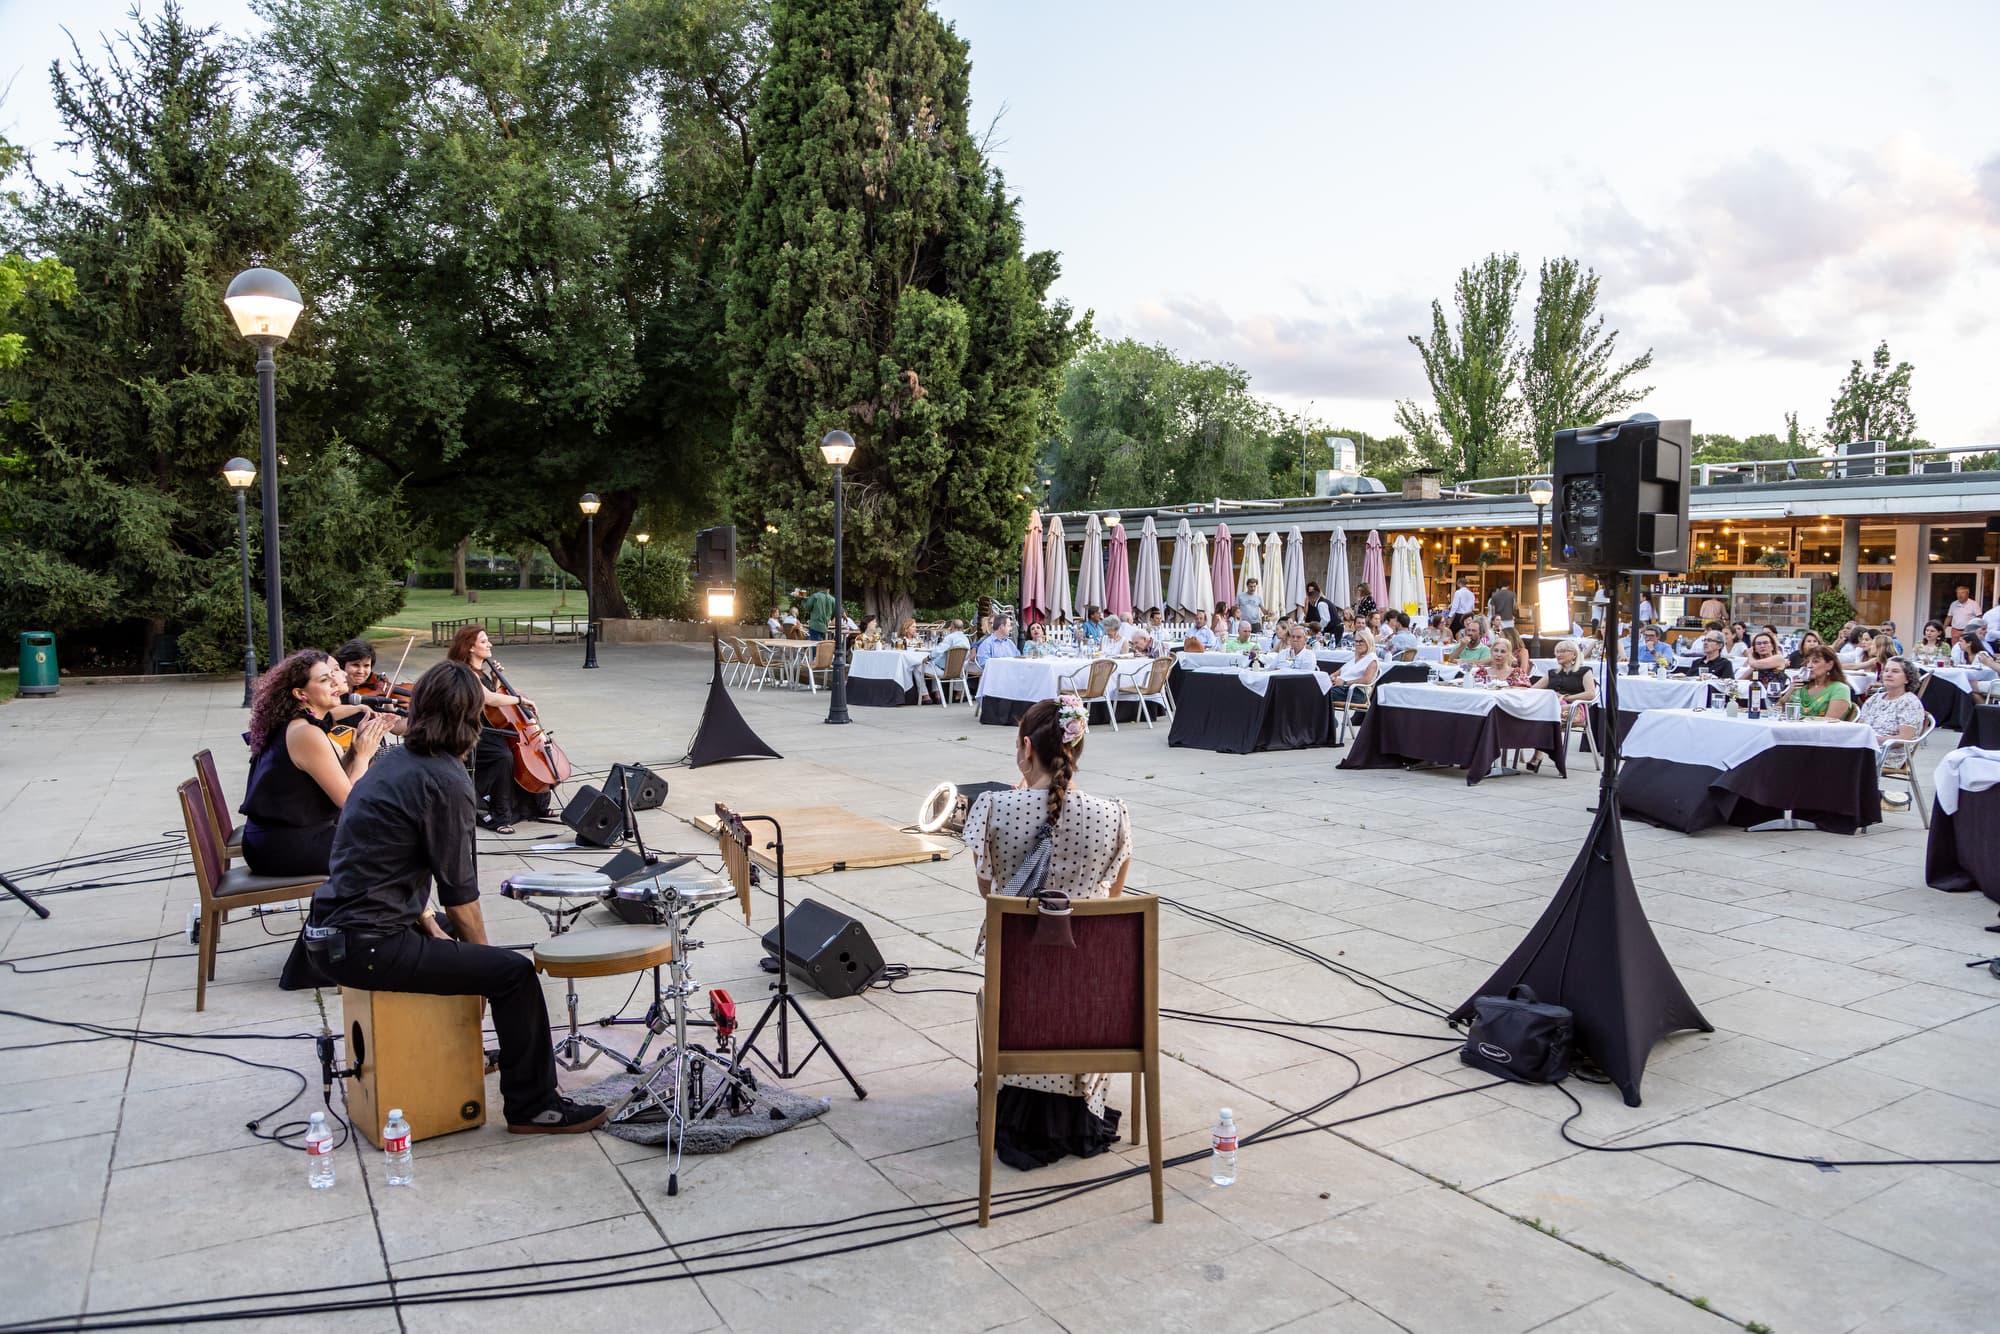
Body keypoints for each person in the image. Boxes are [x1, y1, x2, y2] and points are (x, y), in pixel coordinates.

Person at [292, 662, 609, 1135]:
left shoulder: (394, 762)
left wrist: (428, 922)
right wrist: (479, 967)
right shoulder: (444, 779)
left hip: (333, 930)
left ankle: (491, 1066)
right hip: (366, 943)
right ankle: (534, 1106)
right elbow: (461, 895)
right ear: (470, 720)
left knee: (472, 954)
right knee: (513, 973)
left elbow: (375, 860)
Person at [962, 696, 1131, 1170]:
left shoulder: (994, 808)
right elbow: (1110, 903)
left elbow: (987, 890)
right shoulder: (1113, 815)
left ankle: (1011, 1086)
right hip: (1087, 997)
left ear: (1025, 747)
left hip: (1018, 995)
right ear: (1077, 749)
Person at [240, 650, 394, 877]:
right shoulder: (305, 733)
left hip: (284, 837)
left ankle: (404, 911)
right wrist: (363, 755)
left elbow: (337, 779)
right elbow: (349, 801)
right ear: (301, 693)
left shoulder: (303, 724)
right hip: (283, 846)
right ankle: (406, 912)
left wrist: (355, 749)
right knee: (396, 846)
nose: (335, 683)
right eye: (324, 680)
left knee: (388, 832)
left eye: (333, 675)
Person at [446, 625, 548, 835]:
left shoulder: (480, 671)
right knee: (504, 756)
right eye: (484, 641)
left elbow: (492, 702)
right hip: (471, 734)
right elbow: (488, 698)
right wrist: (519, 699)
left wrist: (494, 679)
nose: (489, 644)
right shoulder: (464, 672)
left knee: (524, 752)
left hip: (490, 730)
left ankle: (533, 806)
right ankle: (500, 815)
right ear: (470, 647)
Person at [1527, 640, 1597, 773]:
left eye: (1563, 651)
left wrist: (1567, 698)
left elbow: (1590, 694)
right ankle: (1542, 753)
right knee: (1541, 714)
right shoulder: (1552, 673)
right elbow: (1533, 690)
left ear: (1574, 655)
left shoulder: (1584, 671)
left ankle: (1538, 755)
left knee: (1549, 715)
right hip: (1553, 708)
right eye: (1557, 651)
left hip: (1574, 709)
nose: (1559, 654)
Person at [1858, 657, 1926, 742]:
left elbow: (1905, 739)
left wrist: (1870, 740)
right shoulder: (1874, 698)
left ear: (1907, 678)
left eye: (1895, 671)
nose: (1888, 674)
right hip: (1864, 746)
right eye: (1886, 671)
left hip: (1887, 751)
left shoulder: (1909, 703)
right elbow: (1860, 726)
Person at [1789, 645, 1854, 720]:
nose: (1809, 666)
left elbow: (1830, 721)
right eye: (1807, 662)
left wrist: (1803, 721)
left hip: (1822, 731)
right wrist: (1789, 691)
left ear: (1829, 665)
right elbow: (1778, 711)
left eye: (1815, 661)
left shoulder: (1840, 689)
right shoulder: (1801, 686)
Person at [1330, 630, 1379, 700]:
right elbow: (1339, 672)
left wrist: (1344, 682)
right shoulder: (1357, 658)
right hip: (1343, 688)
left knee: (1324, 693)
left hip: (1357, 692)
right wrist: (1331, 677)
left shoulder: (1372, 659)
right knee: (1317, 688)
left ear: (1368, 642)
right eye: (1356, 641)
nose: (1358, 644)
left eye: (1361, 641)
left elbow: (1366, 680)